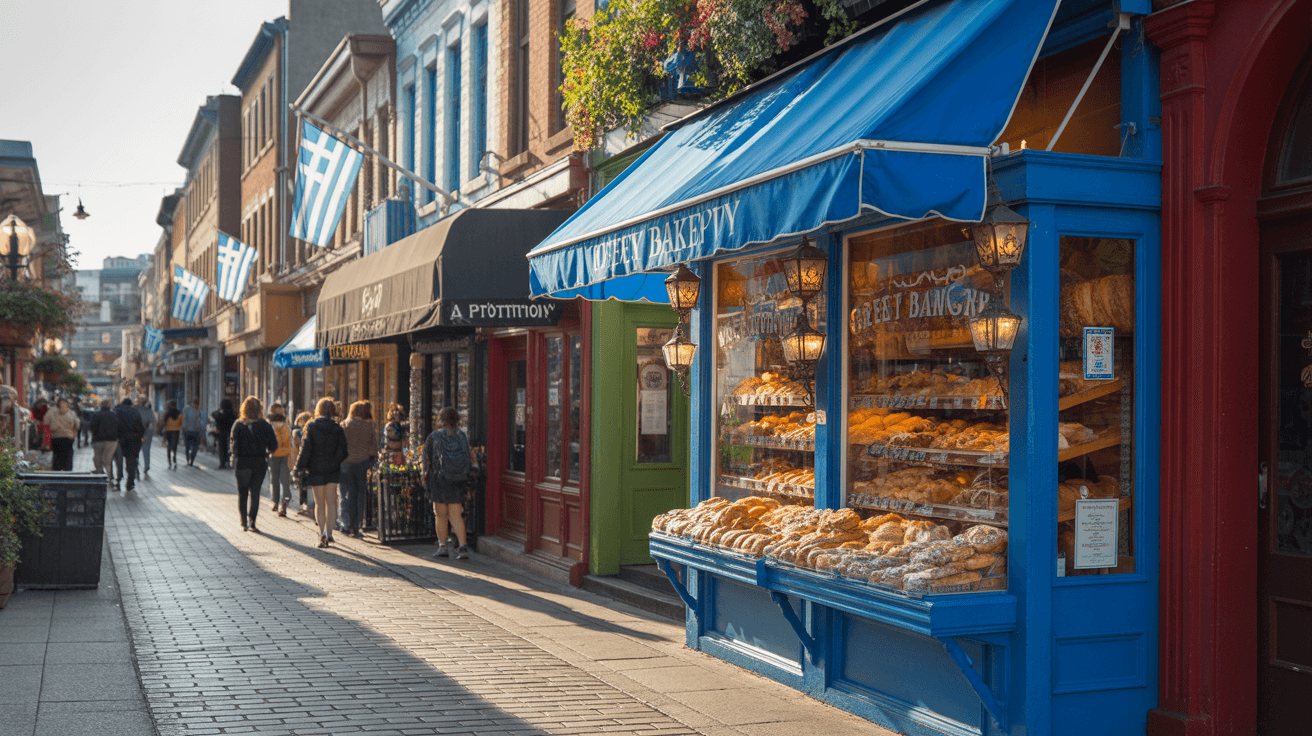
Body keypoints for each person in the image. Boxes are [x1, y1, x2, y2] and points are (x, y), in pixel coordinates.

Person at [422, 406, 477, 560]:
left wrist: (424, 476)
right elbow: (470, 458)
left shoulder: (434, 436)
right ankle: (463, 547)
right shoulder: (462, 436)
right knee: (456, 515)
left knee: (440, 515)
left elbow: (426, 460)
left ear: (442, 420)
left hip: (440, 480)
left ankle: (442, 547)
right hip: (458, 479)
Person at [295, 398, 348, 548]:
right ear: (332, 411)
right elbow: (344, 450)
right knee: (331, 501)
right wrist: (335, 460)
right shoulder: (337, 428)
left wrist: (300, 467)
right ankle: (330, 533)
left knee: (319, 503)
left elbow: (306, 450)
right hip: (332, 469)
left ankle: (322, 533)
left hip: (316, 469)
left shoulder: (311, 426)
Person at [230, 396, 278, 532]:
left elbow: (234, 446)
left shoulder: (238, 425)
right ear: (259, 410)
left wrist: (236, 455)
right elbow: (274, 445)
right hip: (259, 463)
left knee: (243, 494)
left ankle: (243, 522)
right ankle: (252, 521)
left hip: (242, 463)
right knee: (255, 493)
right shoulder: (265, 425)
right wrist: (266, 452)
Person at [339, 401, 378, 538]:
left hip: (346, 463)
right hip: (362, 463)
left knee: (347, 494)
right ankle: (357, 526)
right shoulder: (369, 426)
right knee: (360, 494)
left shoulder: (344, 425)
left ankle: (347, 523)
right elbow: (374, 445)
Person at [266, 402, 294, 517]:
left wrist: (279, 428)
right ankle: (277, 502)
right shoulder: (272, 424)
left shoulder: (284, 424)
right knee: (276, 480)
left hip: (283, 455)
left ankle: (282, 504)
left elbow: (283, 438)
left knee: (282, 480)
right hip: (274, 455)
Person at [113, 397, 146, 492]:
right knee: (131, 461)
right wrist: (140, 437)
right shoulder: (135, 411)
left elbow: (114, 424)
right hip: (133, 440)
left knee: (118, 462)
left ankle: (118, 480)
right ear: (131, 403)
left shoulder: (117, 410)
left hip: (120, 439)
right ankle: (130, 483)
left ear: (122, 403)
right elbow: (140, 426)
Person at [88, 399, 120, 485]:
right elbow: (118, 427)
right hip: (111, 440)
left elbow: (92, 427)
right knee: (107, 459)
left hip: (98, 440)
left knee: (97, 457)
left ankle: (100, 474)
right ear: (109, 405)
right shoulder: (114, 414)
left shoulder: (96, 414)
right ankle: (109, 476)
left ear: (101, 405)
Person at [45, 398, 80, 471]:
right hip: (68, 438)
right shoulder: (71, 413)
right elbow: (77, 425)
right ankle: (67, 472)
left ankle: (57, 472)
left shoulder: (51, 412)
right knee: (68, 457)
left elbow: (46, 424)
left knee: (57, 456)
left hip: (55, 438)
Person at [290, 411, 313, 515]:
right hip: (311, 461)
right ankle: (312, 505)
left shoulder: (296, 432)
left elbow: (294, 450)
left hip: (301, 460)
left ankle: (304, 505)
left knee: (301, 483)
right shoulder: (312, 430)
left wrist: (295, 465)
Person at [212, 398, 237, 469]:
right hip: (230, 434)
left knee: (222, 449)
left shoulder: (220, 414)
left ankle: (222, 463)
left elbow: (214, 414)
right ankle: (229, 462)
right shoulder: (231, 414)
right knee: (230, 448)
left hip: (222, 434)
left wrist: (219, 410)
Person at [181, 398, 206, 466]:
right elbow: (201, 424)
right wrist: (202, 434)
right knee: (195, 447)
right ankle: (191, 460)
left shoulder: (187, 410)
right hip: (195, 432)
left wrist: (183, 430)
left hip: (188, 431)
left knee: (187, 446)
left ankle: (188, 459)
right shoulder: (199, 412)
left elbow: (184, 421)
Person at [137, 398, 157, 477]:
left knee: (136, 450)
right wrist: (154, 431)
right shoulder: (149, 411)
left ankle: (136, 464)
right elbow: (154, 421)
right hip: (147, 433)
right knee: (146, 450)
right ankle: (146, 465)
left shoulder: (136, 410)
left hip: (138, 432)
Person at [161, 400, 182, 469]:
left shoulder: (167, 413)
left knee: (169, 446)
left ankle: (169, 462)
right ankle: (174, 460)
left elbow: (164, 422)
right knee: (174, 447)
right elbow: (180, 423)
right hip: (176, 431)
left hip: (168, 431)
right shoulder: (179, 413)